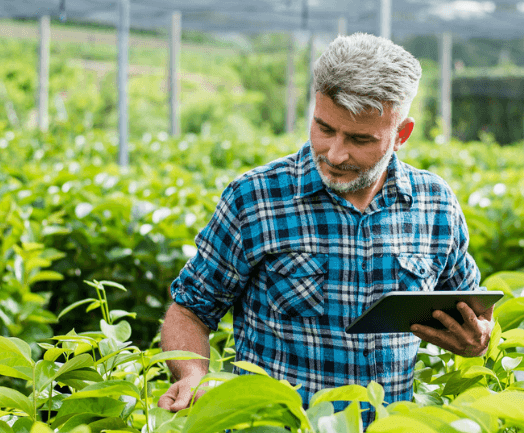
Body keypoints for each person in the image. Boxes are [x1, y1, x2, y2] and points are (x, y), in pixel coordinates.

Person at [157, 33, 491, 413]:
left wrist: (477, 339)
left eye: (360, 139)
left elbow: (472, 309)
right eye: (324, 128)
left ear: (401, 134)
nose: (334, 153)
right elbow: (190, 309)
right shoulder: (255, 198)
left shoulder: (435, 205)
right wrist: (192, 374)